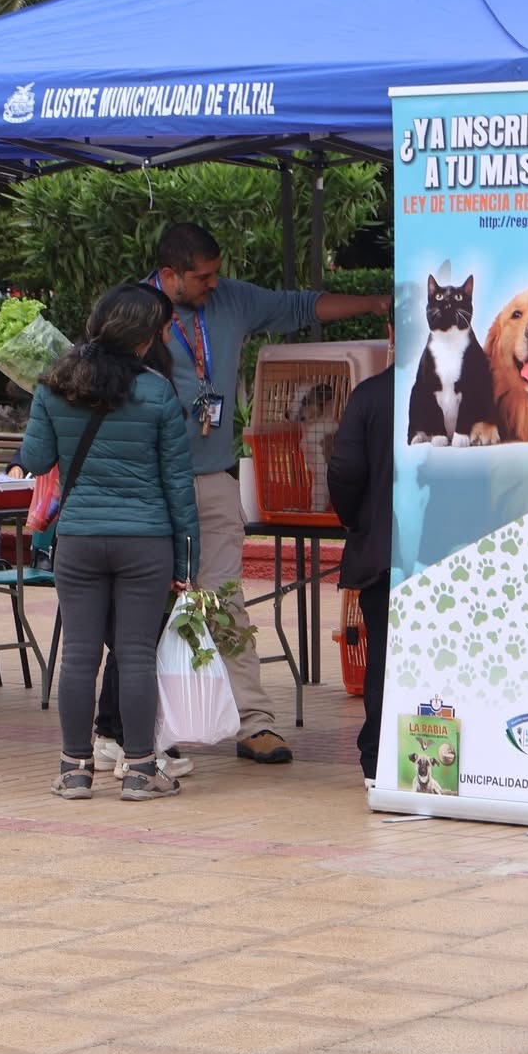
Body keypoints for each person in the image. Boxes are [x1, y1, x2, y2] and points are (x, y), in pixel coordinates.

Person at [143, 222, 391, 764]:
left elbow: (302, 306)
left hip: (214, 479)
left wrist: (375, 302)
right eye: (202, 277)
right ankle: (145, 726)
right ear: (169, 275)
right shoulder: (136, 310)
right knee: (149, 604)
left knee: (225, 600)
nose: (214, 284)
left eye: (216, 274)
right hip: (151, 483)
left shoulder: (231, 299)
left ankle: (253, 721)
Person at [16, 285, 200, 801]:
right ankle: (140, 771)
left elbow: (35, 460)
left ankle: (74, 771)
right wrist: (187, 561)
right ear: (143, 339)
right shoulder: (158, 392)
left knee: (78, 655)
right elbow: (178, 485)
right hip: (145, 541)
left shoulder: (55, 385)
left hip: (78, 538)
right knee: (136, 654)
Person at [327, 337, 394, 786]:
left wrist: (358, 521)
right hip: (457, 555)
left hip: (383, 552)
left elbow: (344, 471)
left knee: (384, 655)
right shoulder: (480, 390)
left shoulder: (371, 395)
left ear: (392, 330)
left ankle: (379, 758)